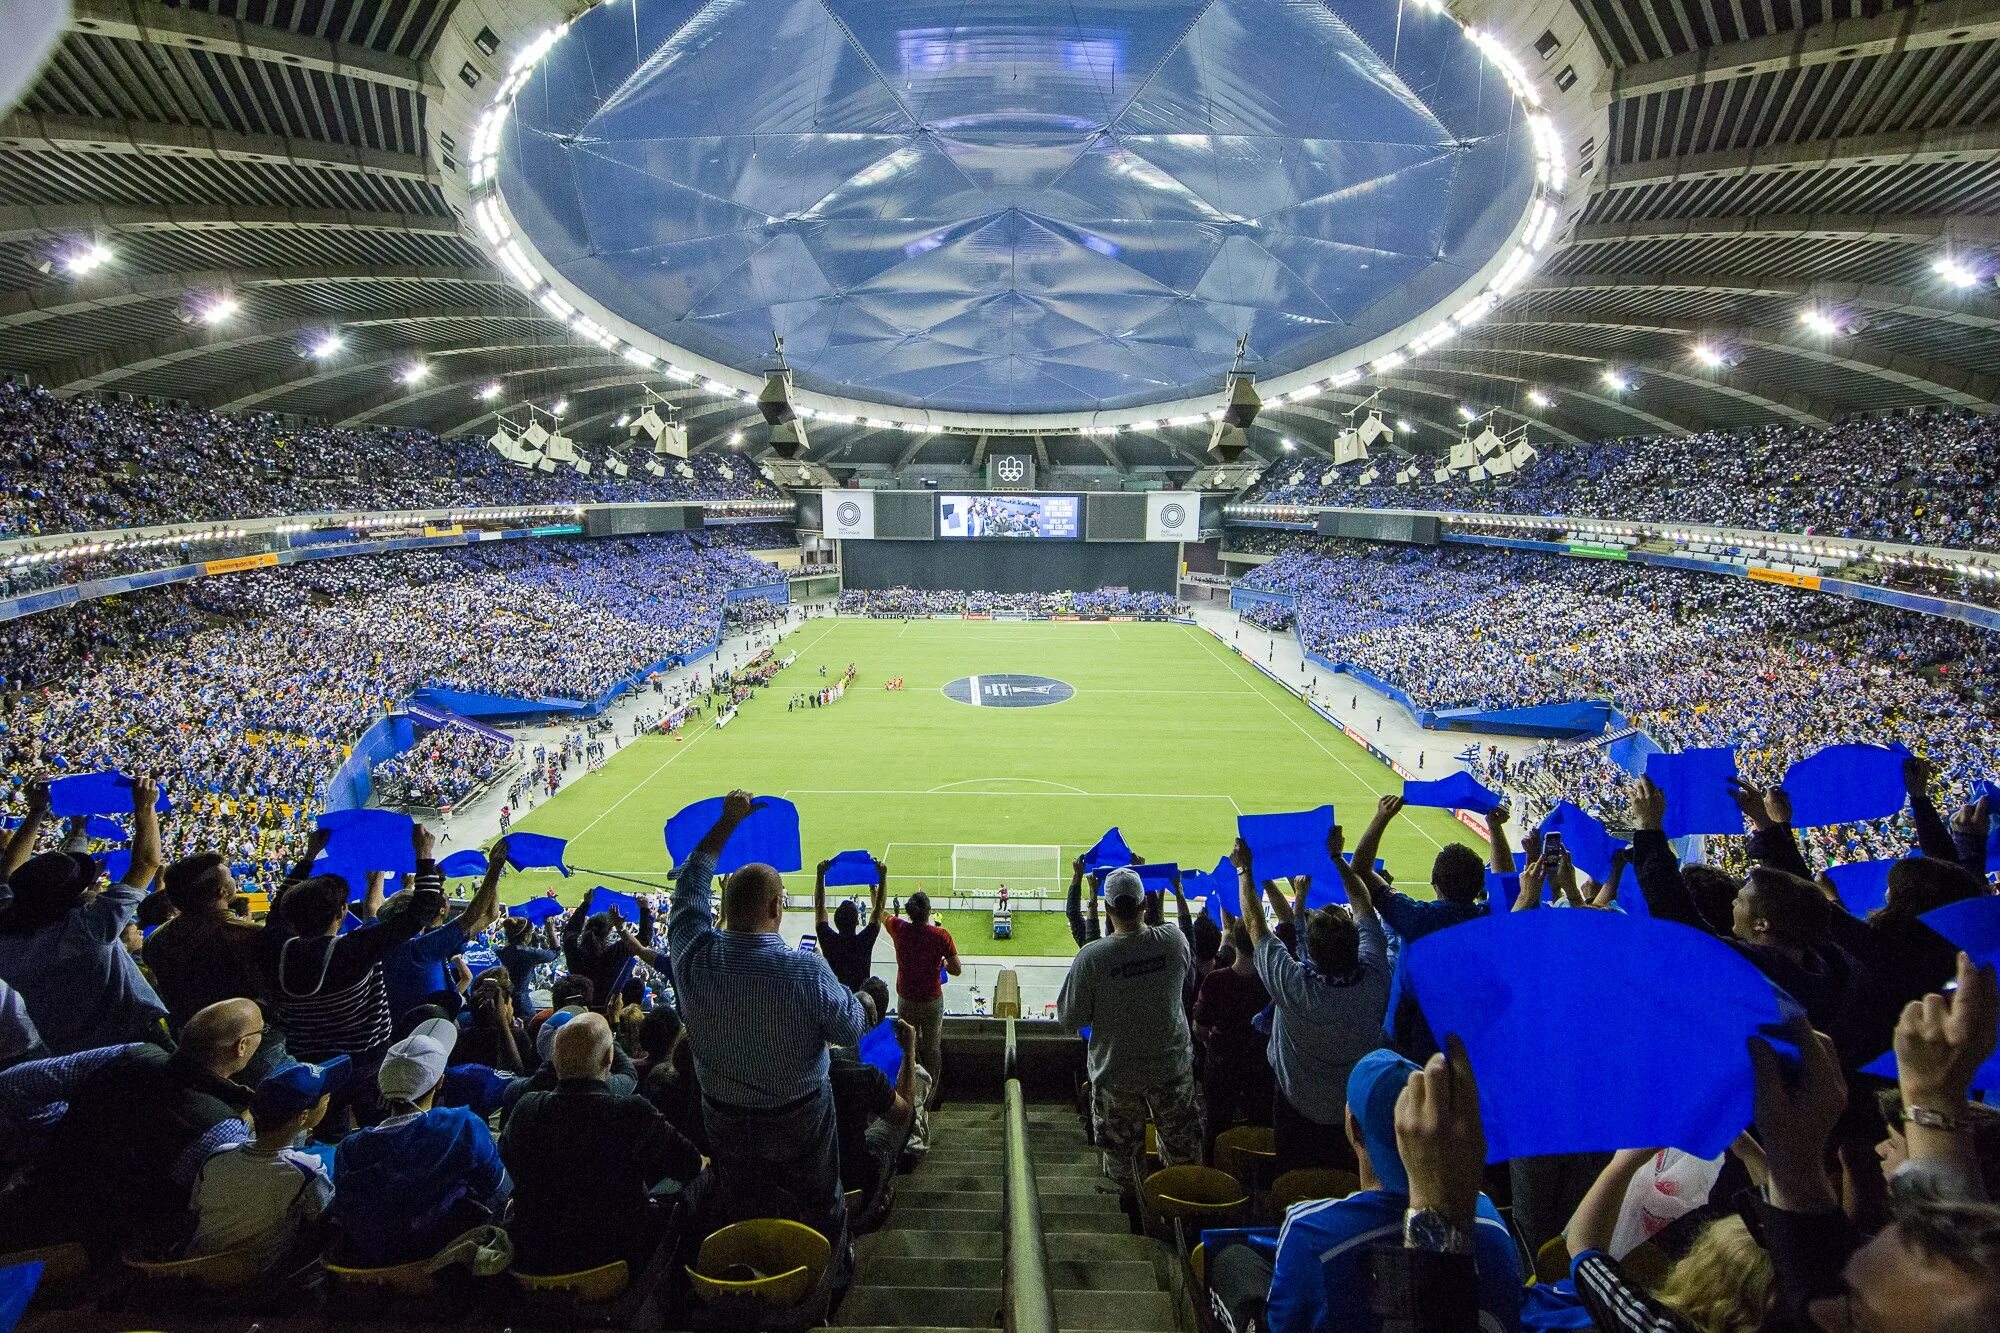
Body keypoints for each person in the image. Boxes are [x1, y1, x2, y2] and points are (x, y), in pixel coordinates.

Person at [667, 790, 868, 1281]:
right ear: (777, 907)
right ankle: (827, 1282)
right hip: (801, 1118)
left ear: (726, 909)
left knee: (740, 1197)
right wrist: (863, 1001)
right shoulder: (803, 971)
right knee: (821, 1202)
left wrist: (726, 823)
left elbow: (690, 884)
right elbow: (849, 1029)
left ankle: (745, 1270)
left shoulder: (692, 957)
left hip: (723, 1116)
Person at [1209, 1042, 1523, 1333]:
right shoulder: (1492, 1221)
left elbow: (1287, 1323)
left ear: (1354, 1130)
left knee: (1235, 1260)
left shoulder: (1311, 1231)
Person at [0, 997, 263, 1255]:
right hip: (105, 1247)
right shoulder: (221, 1127)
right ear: (241, 1046)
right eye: (261, 1031)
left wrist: (62, 1121)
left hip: (33, 1198)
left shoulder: (130, 1054)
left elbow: (13, 1083)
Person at [1236, 827, 1390, 1174]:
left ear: (1311, 953)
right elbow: (1364, 905)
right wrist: (1337, 858)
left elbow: (1254, 925)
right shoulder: (1376, 976)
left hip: (1296, 1104)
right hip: (1355, 1102)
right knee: (1347, 1181)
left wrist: (1245, 871)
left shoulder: (1295, 986)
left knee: (1296, 1182)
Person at [501, 1012, 702, 1274]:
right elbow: (689, 1165)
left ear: (555, 1062)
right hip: (618, 1261)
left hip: (535, 1258)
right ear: (609, 1059)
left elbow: (508, 1158)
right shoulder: (631, 1112)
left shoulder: (527, 1109)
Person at [1057, 866, 1202, 1223]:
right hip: (1171, 1069)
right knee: (1182, 1150)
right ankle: (1181, 1220)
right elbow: (1185, 974)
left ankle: (1130, 1224)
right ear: (1145, 903)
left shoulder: (1092, 958)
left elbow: (1068, 1019)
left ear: (1107, 910)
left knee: (1122, 1160)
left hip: (1116, 1074)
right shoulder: (1173, 941)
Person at [261, 824, 449, 1087]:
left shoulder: (276, 948)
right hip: (367, 1063)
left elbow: (279, 907)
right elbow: (422, 911)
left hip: (310, 1067)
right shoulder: (353, 950)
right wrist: (424, 852)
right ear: (340, 912)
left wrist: (309, 856)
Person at [0, 776, 169, 1055]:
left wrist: (40, 812)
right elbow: (147, 863)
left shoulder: (9, 926)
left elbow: (9, 874)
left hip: (62, 1046)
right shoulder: (87, 930)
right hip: (130, 1040)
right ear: (70, 899)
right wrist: (145, 808)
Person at [331, 1015, 511, 1266]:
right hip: (445, 1264)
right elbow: (501, 1191)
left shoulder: (348, 1149)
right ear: (439, 1081)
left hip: (374, 1270)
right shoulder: (463, 1126)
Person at [187, 1056, 343, 1271]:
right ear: (303, 1116)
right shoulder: (307, 1171)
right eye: (324, 1096)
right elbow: (321, 1218)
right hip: (260, 1280)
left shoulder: (216, 1157)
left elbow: (195, 1207)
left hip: (193, 1269)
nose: (328, 1098)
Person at [144, 851, 273, 1056]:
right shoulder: (245, 935)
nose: (234, 879)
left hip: (188, 1041)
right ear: (222, 891)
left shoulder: (156, 940)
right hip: (248, 1044)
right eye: (230, 876)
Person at [1193, 913, 1273, 1154]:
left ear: (1235, 943)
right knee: (1262, 1124)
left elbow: (1200, 1029)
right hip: (1261, 1064)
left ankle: (1212, 1174)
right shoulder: (1272, 979)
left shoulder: (1216, 980)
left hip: (1222, 1064)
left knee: (1216, 1125)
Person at [884, 889, 959, 1105]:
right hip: (931, 1000)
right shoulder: (941, 936)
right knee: (932, 1048)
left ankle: (910, 1095)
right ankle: (930, 1098)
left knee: (908, 1046)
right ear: (929, 912)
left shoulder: (899, 928)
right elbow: (956, 969)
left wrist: (875, 889)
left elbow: (880, 913)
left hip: (906, 998)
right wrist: (943, 963)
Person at [814, 855, 886, 993]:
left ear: (835, 921)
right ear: (858, 921)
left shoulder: (828, 940)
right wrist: (879, 879)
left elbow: (819, 906)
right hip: (860, 1001)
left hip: (835, 999)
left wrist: (820, 874)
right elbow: (879, 909)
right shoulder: (864, 941)